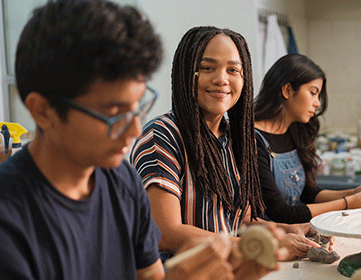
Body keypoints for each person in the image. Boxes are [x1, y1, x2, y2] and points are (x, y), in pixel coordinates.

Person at [0, 1, 240, 279]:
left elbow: (150, 276)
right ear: (43, 111)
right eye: (114, 113)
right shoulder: (10, 217)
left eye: (138, 106)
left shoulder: (122, 182)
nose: (134, 130)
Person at [131, 26, 321, 263]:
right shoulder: (162, 136)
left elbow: (242, 222)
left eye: (233, 70)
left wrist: (286, 229)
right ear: (185, 73)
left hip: (230, 269)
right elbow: (166, 233)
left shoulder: (237, 138)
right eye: (207, 67)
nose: (221, 79)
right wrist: (266, 245)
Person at [254, 54, 361, 224]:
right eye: (313, 93)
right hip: (264, 242)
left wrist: (353, 193)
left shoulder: (293, 132)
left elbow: (309, 194)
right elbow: (281, 213)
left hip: (298, 233)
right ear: (287, 90)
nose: (317, 103)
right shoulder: (254, 140)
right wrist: (350, 203)